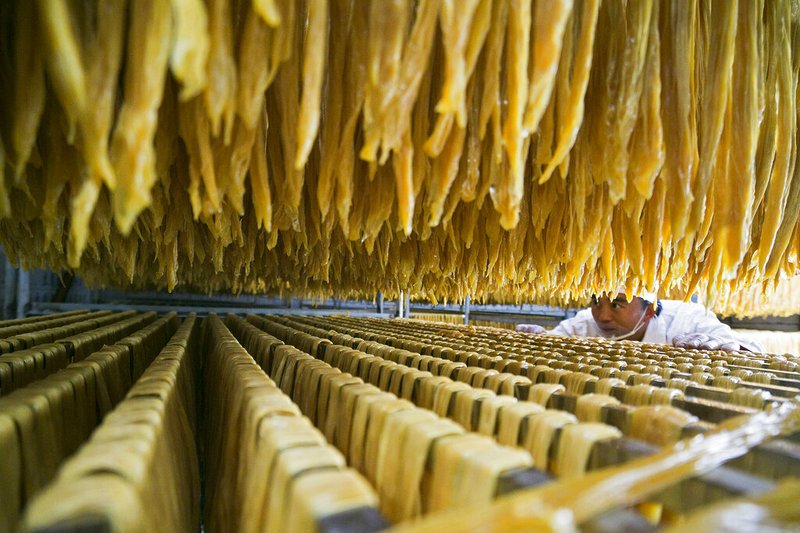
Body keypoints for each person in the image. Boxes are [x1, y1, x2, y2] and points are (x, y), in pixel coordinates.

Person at [516, 291, 763, 352]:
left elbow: (751, 349)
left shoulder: (688, 319)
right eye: (595, 302)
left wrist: (723, 348)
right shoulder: (582, 325)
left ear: (649, 310)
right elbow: (552, 341)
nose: (602, 316)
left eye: (616, 304)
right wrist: (539, 339)